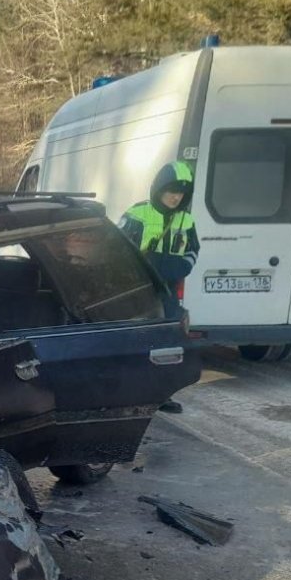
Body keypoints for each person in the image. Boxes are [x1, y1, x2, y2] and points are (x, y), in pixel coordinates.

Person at [119, 160, 199, 413]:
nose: (176, 197)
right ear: (159, 188)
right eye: (171, 191)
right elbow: (116, 251)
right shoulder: (137, 214)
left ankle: (160, 394)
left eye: (181, 193)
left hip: (168, 290)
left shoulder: (186, 220)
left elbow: (194, 249)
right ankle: (127, 392)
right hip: (138, 290)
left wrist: (183, 267)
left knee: (168, 344)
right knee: (135, 343)